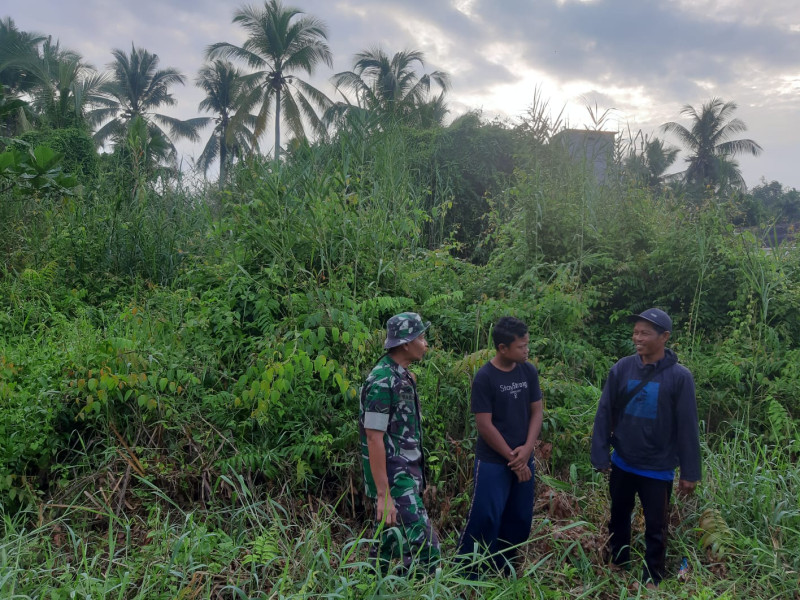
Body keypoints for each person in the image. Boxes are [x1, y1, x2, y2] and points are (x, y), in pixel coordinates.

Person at [591, 308, 701, 588]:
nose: (637, 338)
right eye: (635, 332)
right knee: (619, 515)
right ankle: (619, 561)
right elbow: (605, 412)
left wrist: (690, 472)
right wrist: (600, 453)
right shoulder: (622, 368)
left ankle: (652, 576)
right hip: (624, 460)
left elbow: (688, 426)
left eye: (645, 333)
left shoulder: (680, 377)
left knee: (656, 525)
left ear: (664, 337)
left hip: (659, 466)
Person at [457, 316, 544, 576]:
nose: (526, 350)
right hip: (494, 461)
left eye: (527, 344)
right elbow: (484, 425)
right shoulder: (485, 377)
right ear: (502, 348)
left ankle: (504, 572)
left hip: (523, 456)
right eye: (521, 346)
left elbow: (537, 412)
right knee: (486, 516)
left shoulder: (527, 371)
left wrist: (527, 450)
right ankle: (469, 573)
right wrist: (512, 458)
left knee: (519, 517)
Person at [358, 312, 440, 573]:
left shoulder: (403, 376)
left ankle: (371, 586)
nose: (425, 343)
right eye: (422, 337)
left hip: (407, 473)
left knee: (386, 543)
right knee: (428, 549)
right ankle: (426, 588)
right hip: (395, 478)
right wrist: (384, 495)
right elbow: (373, 437)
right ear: (406, 343)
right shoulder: (382, 381)